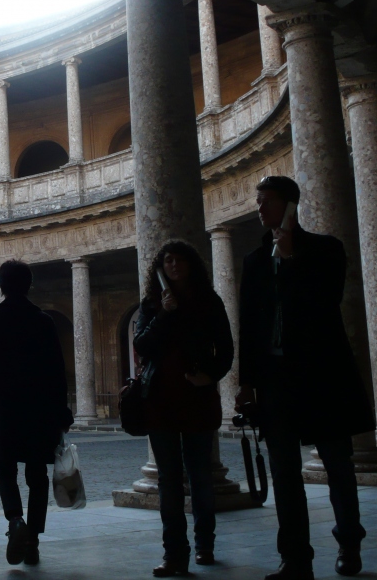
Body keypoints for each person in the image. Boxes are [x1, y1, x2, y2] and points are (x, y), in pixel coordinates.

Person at [236, 176, 374, 579]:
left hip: (322, 375)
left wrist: (292, 259)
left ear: (290, 205)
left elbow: (327, 301)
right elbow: (249, 327)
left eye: (267, 200)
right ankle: (295, 558)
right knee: (284, 472)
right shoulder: (254, 261)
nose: (259, 208)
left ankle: (349, 541)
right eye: (258, 201)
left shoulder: (326, 249)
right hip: (276, 380)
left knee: (338, 464)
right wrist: (246, 382)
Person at [133, 240, 235, 577]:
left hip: (196, 398)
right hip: (160, 399)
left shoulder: (208, 301)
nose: (174, 265)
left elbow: (226, 347)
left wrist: (210, 376)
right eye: (168, 261)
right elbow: (141, 344)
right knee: (169, 479)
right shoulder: (151, 304)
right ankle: (174, 553)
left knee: (200, 474)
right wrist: (165, 313)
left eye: (180, 260)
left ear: (191, 264)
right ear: (160, 268)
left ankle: (205, 544)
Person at [0, 259, 74, 567]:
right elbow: (57, 371)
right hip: (38, 410)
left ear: (1, 286)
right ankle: (33, 542)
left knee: (5, 469)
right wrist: (62, 412)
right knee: (37, 476)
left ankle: (16, 520)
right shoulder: (43, 321)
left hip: (2, 409)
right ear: (29, 285)